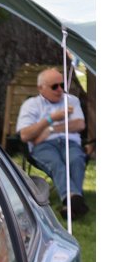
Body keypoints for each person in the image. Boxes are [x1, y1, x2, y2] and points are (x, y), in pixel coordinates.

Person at [16, 66, 89, 217]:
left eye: (62, 85)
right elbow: (25, 135)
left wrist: (51, 130)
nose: (60, 90)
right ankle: (74, 201)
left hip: (70, 142)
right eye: (54, 86)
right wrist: (51, 119)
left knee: (75, 159)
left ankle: (70, 204)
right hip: (43, 146)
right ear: (40, 88)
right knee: (57, 164)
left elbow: (80, 124)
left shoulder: (71, 101)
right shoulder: (31, 105)